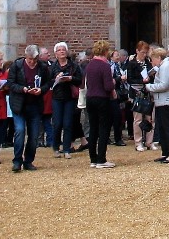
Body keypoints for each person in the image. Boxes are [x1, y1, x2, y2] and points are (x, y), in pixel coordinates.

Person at [7, 44, 51, 172]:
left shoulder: (42, 67)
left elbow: (48, 83)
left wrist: (41, 90)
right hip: (19, 104)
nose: (32, 62)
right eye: (30, 59)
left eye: (34, 60)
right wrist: (23, 89)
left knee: (34, 135)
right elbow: (10, 83)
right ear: (25, 56)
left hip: (35, 105)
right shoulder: (17, 65)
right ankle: (17, 160)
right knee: (20, 130)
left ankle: (28, 161)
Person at [84, 39, 117, 168]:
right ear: (105, 51)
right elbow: (108, 86)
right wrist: (113, 82)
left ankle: (93, 158)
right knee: (103, 129)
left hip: (90, 98)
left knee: (93, 129)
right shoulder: (105, 65)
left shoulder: (90, 65)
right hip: (102, 99)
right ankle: (101, 159)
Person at [145, 45, 169, 163]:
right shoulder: (165, 65)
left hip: (166, 101)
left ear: (159, 57)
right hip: (163, 101)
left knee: (168, 128)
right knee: (163, 128)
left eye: (153, 59)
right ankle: (166, 152)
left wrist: (149, 87)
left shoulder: (166, 66)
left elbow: (164, 85)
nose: (151, 62)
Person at [50, 41, 82, 159]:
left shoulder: (73, 65)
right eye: (59, 50)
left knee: (68, 123)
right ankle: (56, 146)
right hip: (57, 97)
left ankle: (67, 148)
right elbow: (47, 82)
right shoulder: (52, 67)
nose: (62, 52)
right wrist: (56, 79)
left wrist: (71, 78)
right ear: (56, 54)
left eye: (63, 49)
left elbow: (79, 79)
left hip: (70, 97)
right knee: (57, 123)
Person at [125, 41, 154, 151]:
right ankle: (138, 142)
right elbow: (129, 79)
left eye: (146, 53)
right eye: (142, 52)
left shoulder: (147, 62)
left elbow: (151, 76)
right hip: (136, 92)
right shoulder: (132, 63)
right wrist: (142, 80)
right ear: (137, 51)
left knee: (149, 118)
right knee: (137, 119)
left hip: (147, 92)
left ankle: (149, 141)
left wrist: (150, 77)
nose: (144, 55)